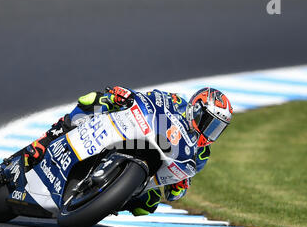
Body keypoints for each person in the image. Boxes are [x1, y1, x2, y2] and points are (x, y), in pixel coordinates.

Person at [12, 85, 233, 216]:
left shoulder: (201, 155)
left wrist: (180, 183)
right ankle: (47, 139)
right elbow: (150, 98)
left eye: (217, 128)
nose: (210, 131)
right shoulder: (176, 102)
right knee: (94, 100)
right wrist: (123, 94)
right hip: (138, 132)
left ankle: (104, 199)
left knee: (147, 206)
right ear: (196, 109)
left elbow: (176, 190)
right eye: (209, 122)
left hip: (153, 166)